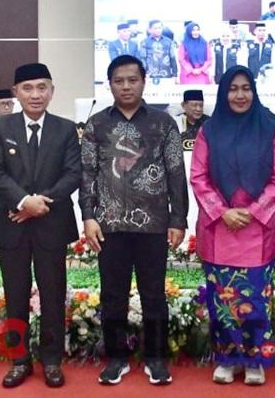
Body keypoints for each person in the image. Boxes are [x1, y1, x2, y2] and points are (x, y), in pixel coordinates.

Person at [79, 55, 188, 386]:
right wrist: (88, 216)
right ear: (109, 84)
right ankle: (116, 358)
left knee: (153, 294)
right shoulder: (96, 125)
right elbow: (87, 174)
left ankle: (156, 358)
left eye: (132, 80)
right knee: (113, 294)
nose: (126, 86)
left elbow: (175, 173)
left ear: (144, 81)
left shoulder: (163, 124)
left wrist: (178, 219)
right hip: (108, 225)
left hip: (153, 224)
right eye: (119, 81)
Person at [0, 63, 81, 388]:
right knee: (15, 294)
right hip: (10, 223)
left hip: (51, 223)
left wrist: (38, 204)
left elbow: (73, 174)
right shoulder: (1, 126)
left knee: (53, 294)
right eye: (28, 88)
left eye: (42, 87)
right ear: (16, 92)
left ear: (52, 90)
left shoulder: (66, 129)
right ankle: (19, 360)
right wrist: (24, 202)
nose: (35, 94)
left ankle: (51, 360)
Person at [190, 65, 275, 385]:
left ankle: (255, 360)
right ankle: (227, 359)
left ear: (254, 91)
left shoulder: (271, 129)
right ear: (223, 93)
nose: (240, 95)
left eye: (246, 88)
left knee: (256, 299)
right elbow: (199, 177)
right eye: (233, 89)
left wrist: (252, 211)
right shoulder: (208, 131)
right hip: (219, 229)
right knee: (222, 300)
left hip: (257, 229)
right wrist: (223, 212)